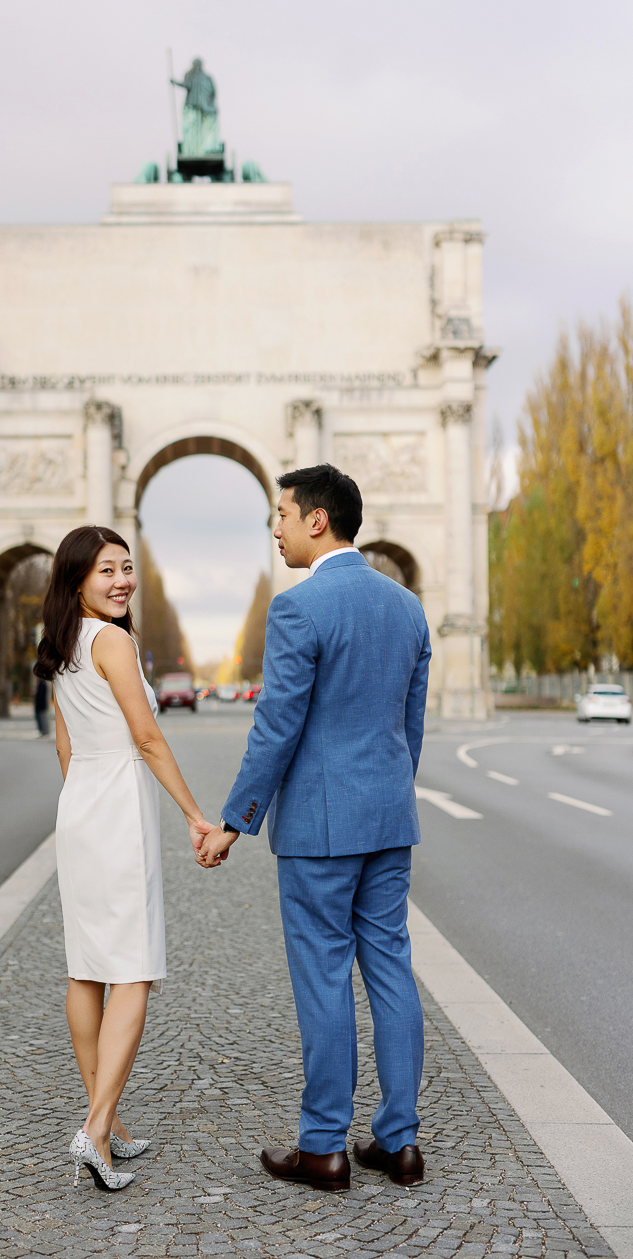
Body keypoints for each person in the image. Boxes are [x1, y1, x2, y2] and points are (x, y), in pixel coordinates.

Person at [197, 464, 431, 1193]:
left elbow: (276, 728)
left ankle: (324, 1147)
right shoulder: (406, 607)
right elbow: (408, 725)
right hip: (388, 818)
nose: (275, 528)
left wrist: (235, 820)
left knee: (324, 977)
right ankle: (398, 1143)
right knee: (390, 967)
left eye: (281, 515)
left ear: (316, 521)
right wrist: (387, 793)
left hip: (320, 830)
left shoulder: (299, 609)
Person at [34, 526, 217, 1192]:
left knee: (86, 972)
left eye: (127, 568)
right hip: (116, 808)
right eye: (107, 570)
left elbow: (63, 744)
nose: (121, 581)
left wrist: (79, 805)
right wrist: (196, 815)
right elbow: (145, 735)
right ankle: (95, 1128)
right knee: (132, 973)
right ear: (77, 579)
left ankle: (104, 1125)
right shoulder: (112, 640)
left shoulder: (58, 644)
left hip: (79, 805)